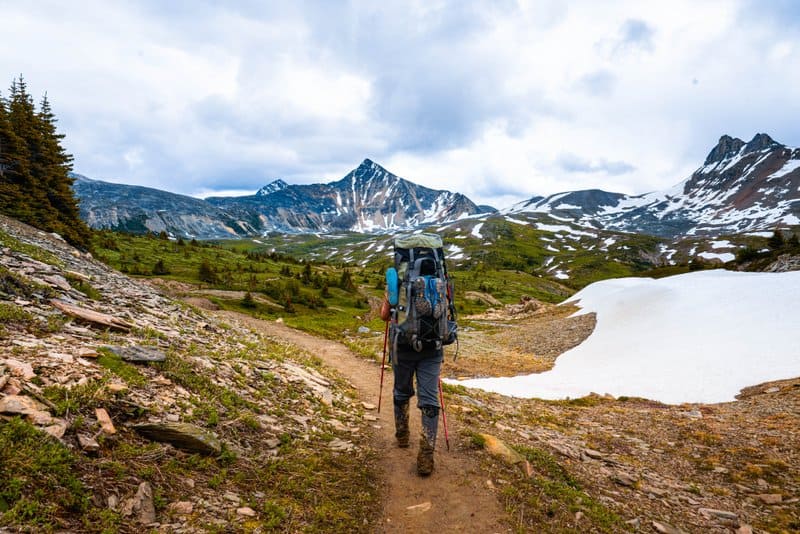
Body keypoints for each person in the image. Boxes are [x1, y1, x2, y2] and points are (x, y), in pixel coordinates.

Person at [380, 296, 443, 476]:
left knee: (401, 391)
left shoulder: (398, 275)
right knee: (430, 399)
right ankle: (426, 456)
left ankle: (402, 435)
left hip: (402, 347)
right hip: (432, 348)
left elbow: (384, 315)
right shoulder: (439, 274)